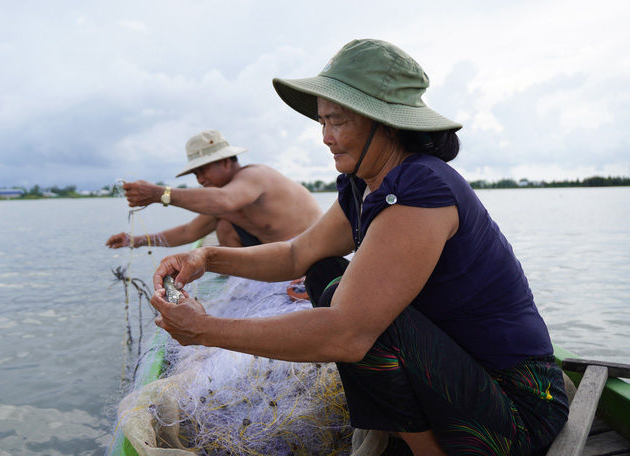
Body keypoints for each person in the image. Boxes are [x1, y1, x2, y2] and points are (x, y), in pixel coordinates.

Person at [149, 39, 569, 455]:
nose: (326, 138)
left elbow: (347, 334)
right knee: (323, 271)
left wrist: (206, 331)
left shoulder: (422, 185)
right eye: (322, 122)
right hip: (458, 379)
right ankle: (413, 439)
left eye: (338, 122)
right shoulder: (363, 186)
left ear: (384, 122)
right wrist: (206, 257)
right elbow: (297, 253)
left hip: (516, 409)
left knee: (353, 312)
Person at [105, 129, 323, 248]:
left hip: (310, 250)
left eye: (203, 170)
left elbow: (224, 200)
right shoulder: (220, 200)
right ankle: (247, 282)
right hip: (276, 257)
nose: (200, 180)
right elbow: (188, 232)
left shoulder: (254, 175)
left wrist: (159, 193)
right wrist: (135, 240)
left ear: (226, 162)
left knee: (224, 224)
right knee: (225, 227)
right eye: (195, 174)